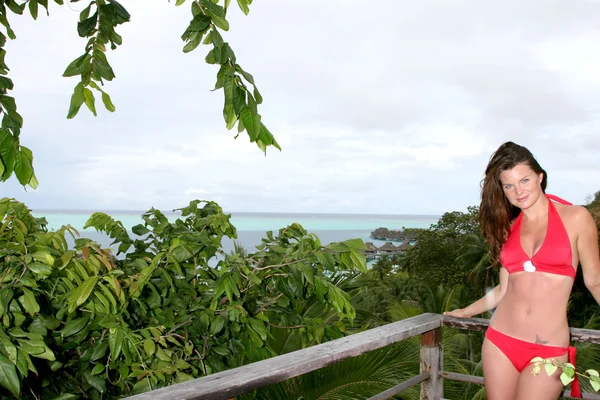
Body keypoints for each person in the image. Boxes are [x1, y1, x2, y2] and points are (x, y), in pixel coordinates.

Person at [444, 141, 600, 400]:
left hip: (548, 349)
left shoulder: (576, 218)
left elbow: (595, 282)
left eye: (524, 180)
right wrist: (466, 311)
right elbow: (504, 290)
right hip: (500, 342)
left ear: (540, 177)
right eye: (509, 186)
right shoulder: (508, 228)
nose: (519, 191)